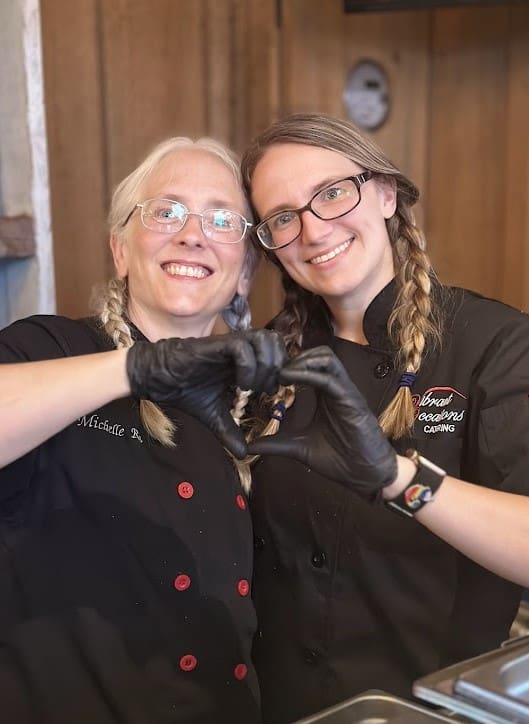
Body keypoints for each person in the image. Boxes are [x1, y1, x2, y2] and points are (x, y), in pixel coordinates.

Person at [239, 112, 529, 723]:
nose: (314, 230)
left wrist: (404, 480)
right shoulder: (267, 359)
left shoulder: (494, 345)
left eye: (333, 192)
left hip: (424, 707)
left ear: (387, 193)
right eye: (282, 218)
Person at [0, 135, 291, 724]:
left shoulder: (262, 399)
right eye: (167, 212)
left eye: (221, 219)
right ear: (120, 250)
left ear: (244, 273)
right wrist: (137, 367)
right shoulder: (49, 349)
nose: (192, 234)